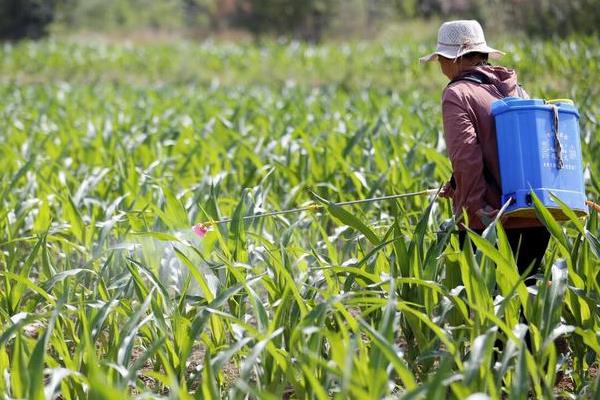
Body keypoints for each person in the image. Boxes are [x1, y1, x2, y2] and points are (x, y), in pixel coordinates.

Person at [420, 20, 549, 279]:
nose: (441, 66)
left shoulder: (457, 93)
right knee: (530, 307)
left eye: (441, 59)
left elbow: (467, 157)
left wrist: (476, 208)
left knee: (489, 310)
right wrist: (456, 185)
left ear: (454, 59)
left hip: (493, 220)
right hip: (536, 215)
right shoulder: (515, 89)